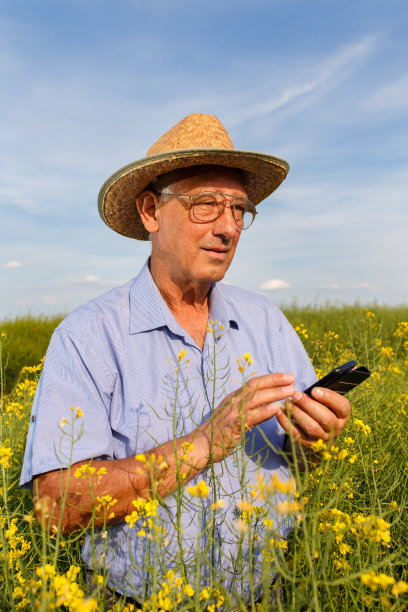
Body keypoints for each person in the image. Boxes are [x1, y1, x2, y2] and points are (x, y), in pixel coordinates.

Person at [20, 113, 350, 607]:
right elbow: (56, 504)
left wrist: (315, 440)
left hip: (266, 596)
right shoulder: (88, 336)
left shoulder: (266, 320)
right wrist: (206, 441)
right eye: (206, 205)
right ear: (151, 211)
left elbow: (302, 463)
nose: (228, 228)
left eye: (239, 209)